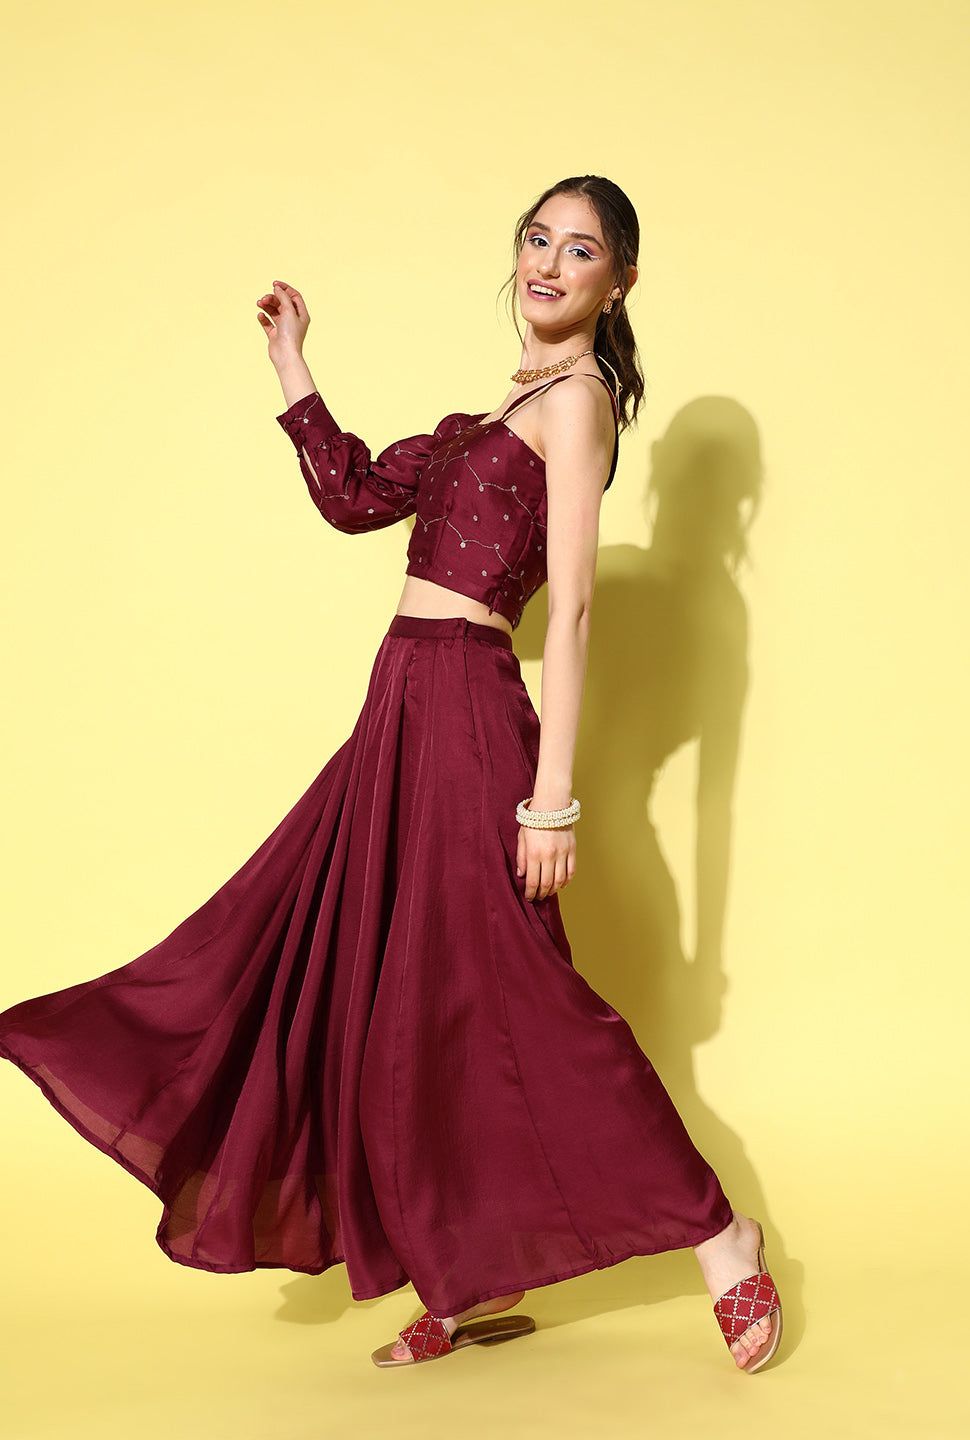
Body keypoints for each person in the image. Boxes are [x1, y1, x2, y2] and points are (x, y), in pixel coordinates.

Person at [0, 175, 781, 1374]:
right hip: (400, 711)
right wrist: (292, 365)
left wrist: (552, 798)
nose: (547, 263)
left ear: (619, 283)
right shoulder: (495, 411)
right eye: (536, 238)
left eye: (580, 250)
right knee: (402, 1006)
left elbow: (573, 609)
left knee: (529, 1005)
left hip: (470, 711)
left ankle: (722, 1238)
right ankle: (468, 1274)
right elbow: (353, 496)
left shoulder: (577, 404)